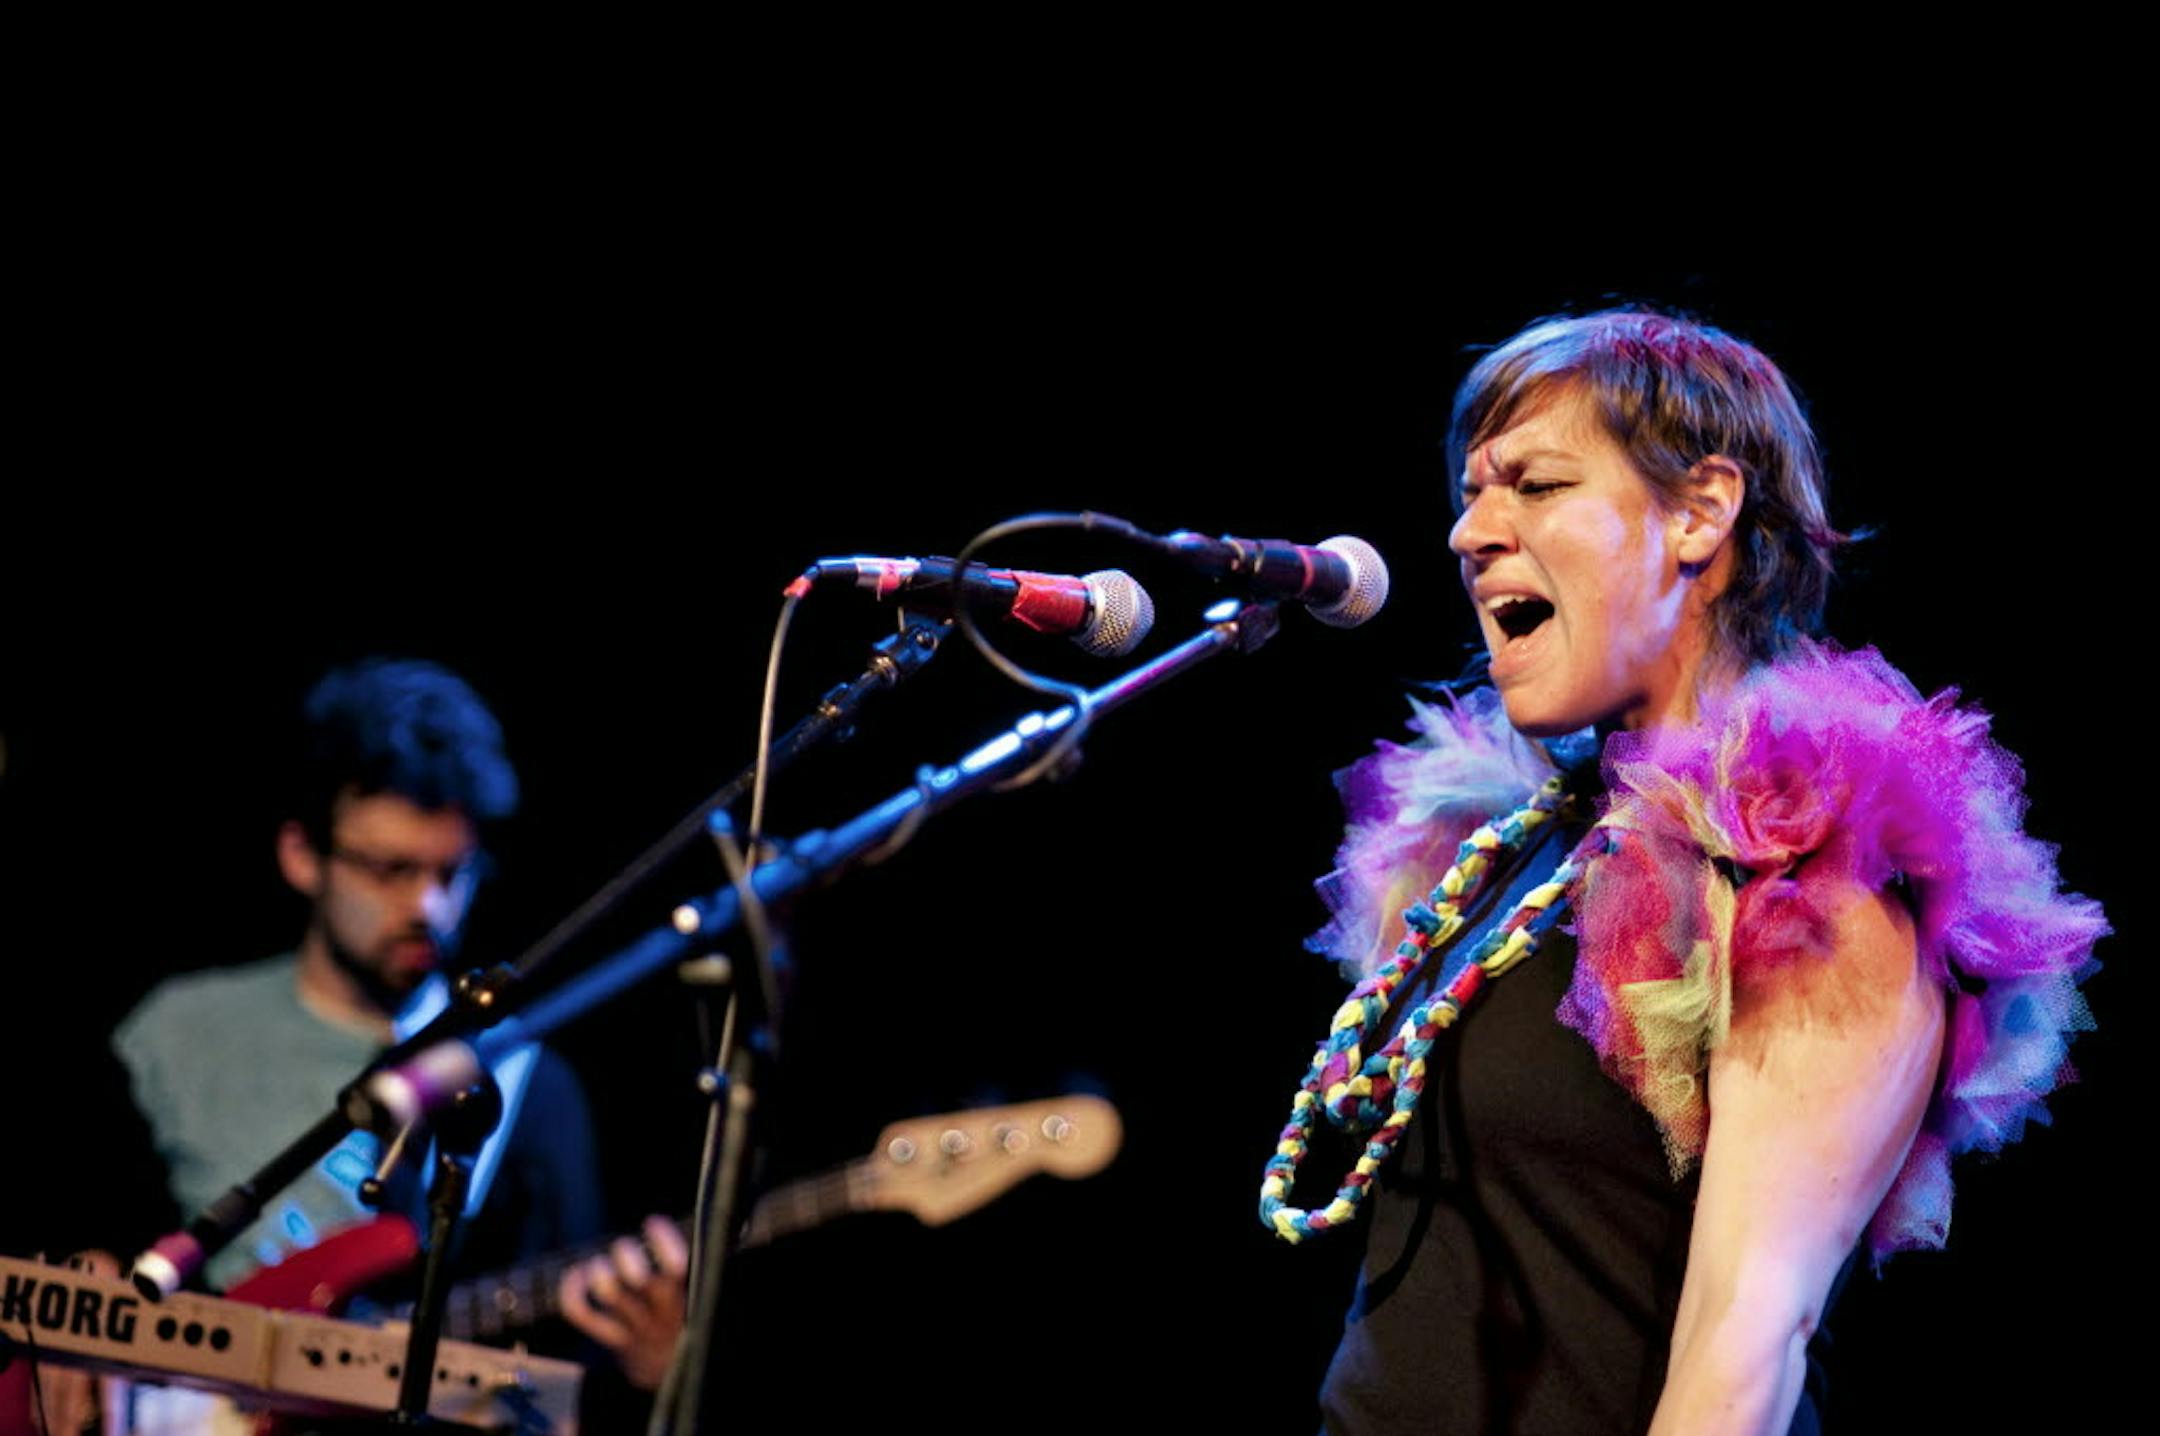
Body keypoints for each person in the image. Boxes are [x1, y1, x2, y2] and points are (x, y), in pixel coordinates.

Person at [1257, 311, 2105, 1434]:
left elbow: (1742, 1346)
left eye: (1536, 484)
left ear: (1700, 512)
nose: (1470, 531)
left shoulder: (1815, 885)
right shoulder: (1512, 852)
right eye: (1469, 493)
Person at [108, 658, 686, 1423]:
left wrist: (658, 1368)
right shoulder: (172, 1035)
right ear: (300, 855)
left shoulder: (526, 1083)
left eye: (453, 871)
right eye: (390, 870)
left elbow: (554, 1378)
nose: (429, 906)